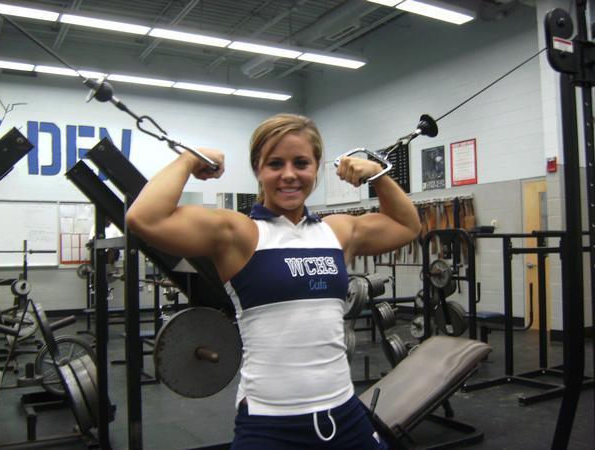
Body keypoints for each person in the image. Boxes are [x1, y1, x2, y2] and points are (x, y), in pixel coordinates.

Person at [126, 113, 421, 449]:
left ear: (316, 167)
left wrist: (379, 175)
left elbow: (407, 226)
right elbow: (144, 218)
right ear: (258, 169)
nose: (289, 175)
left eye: (301, 163)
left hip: (344, 414)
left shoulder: (337, 232)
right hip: (270, 424)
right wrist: (188, 160)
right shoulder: (240, 234)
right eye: (275, 164)